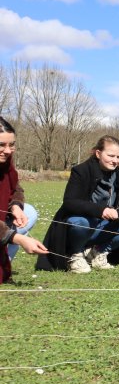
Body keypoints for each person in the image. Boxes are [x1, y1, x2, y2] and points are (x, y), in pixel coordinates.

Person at [36, 135, 119, 273]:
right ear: (98, 153)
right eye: (111, 155)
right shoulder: (81, 171)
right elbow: (70, 202)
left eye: (118, 157)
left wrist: (118, 213)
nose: (115, 161)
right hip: (81, 225)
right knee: (80, 223)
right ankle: (75, 254)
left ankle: (97, 252)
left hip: (104, 227)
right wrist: (101, 210)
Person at [0, 117, 48, 282]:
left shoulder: (6, 162)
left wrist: (15, 206)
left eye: (11, 145)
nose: (7, 151)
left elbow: (15, 187)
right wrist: (20, 239)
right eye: (1, 145)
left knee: (29, 212)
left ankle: (6, 259)